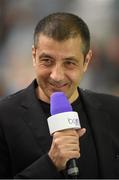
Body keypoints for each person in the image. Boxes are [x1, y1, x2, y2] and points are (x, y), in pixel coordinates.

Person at [0, 12, 119, 179]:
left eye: (69, 63)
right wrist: (50, 163)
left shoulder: (114, 110)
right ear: (34, 56)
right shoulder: (4, 117)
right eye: (47, 60)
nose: (56, 75)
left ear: (86, 61)